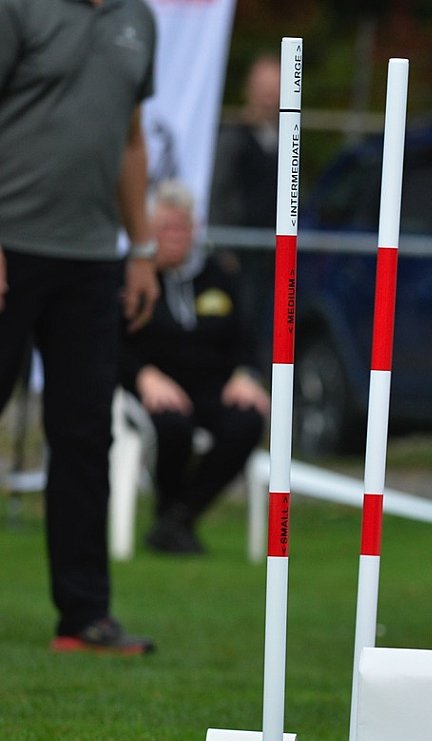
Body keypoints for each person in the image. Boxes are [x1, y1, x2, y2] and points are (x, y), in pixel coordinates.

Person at [0, 0, 160, 655]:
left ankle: (85, 616)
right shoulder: (19, 8)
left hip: (94, 259)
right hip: (11, 245)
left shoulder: (138, 20)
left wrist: (142, 249)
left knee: (86, 436)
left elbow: (130, 139)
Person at [122, 180, 268, 555]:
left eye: (182, 227)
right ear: (148, 231)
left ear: (195, 229)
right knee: (173, 426)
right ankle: (171, 517)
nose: (175, 236)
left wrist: (246, 374)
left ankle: (179, 516)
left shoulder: (221, 274)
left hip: (212, 386)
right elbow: (110, 342)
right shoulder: (132, 277)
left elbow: (247, 337)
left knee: (248, 419)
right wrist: (143, 375)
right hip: (154, 387)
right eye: (166, 227)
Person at [208, 52, 279, 354]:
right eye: (263, 89)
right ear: (249, 90)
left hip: (271, 253)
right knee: (238, 320)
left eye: (275, 90)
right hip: (239, 251)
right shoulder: (233, 139)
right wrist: (224, 246)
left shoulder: (284, 141)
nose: (268, 97)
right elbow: (218, 191)